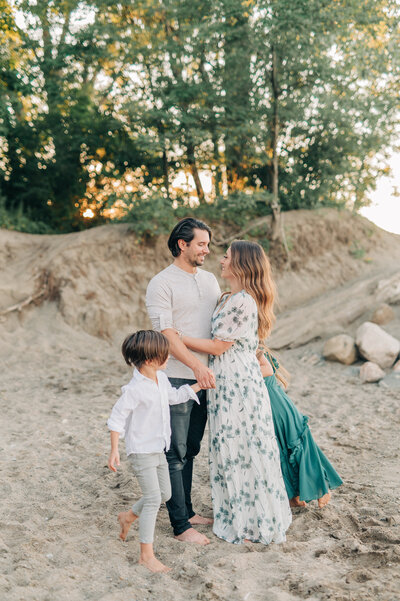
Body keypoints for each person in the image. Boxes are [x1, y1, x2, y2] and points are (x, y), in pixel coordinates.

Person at [181, 241, 292, 544]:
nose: (221, 260)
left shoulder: (243, 301)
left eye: (227, 257)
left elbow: (219, 346)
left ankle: (251, 519)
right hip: (225, 383)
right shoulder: (229, 297)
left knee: (242, 448)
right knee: (229, 449)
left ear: (240, 264)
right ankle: (236, 510)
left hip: (238, 384)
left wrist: (178, 338)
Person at [145, 218, 221, 545]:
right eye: (201, 244)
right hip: (176, 377)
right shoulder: (161, 283)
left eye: (207, 244)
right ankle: (180, 526)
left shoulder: (211, 280)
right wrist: (196, 367)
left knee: (191, 448)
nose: (207, 249)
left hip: (207, 378)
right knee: (174, 452)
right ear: (182, 244)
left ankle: (188, 510)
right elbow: (168, 335)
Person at [107, 330, 201, 573]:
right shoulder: (134, 390)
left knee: (165, 494)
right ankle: (146, 555)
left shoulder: (162, 379)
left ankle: (128, 516)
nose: (168, 357)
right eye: (164, 354)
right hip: (141, 451)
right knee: (152, 500)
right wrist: (114, 450)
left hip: (160, 448)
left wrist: (200, 384)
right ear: (149, 360)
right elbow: (117, 418)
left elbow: (175, 398)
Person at [258, 351, 343, 508]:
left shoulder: (252, 347)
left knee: (296, 445)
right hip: (267, 406)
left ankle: (321, 487)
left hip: (276, 406)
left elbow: (268, 370)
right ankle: (293, 496)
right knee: (280, 449)